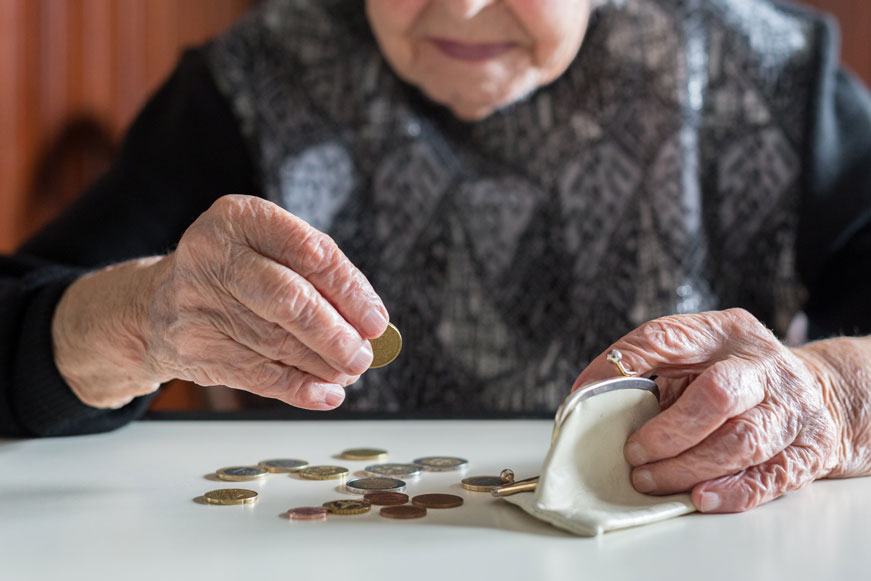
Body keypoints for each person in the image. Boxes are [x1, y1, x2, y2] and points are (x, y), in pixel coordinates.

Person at [1, 0, 870, 515]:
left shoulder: (770, 77)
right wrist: (137, 319)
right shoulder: (250, 83)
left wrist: (833, 393)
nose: (456, 8)